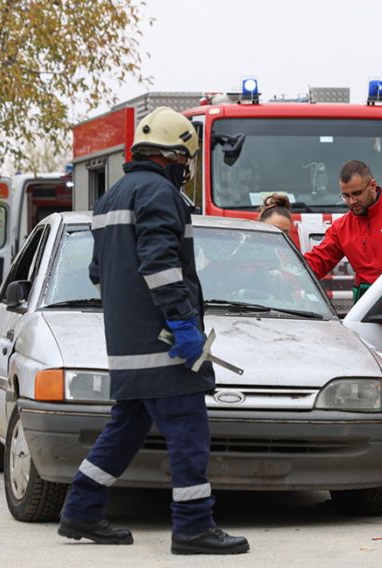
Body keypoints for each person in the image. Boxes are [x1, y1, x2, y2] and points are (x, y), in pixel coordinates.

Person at [58, 107, 249, 555]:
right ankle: (194, 527)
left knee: (125, 428)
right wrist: (181, 322)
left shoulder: (110, 199)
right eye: (185, 161)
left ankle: (81, 511)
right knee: (188, 432)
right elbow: (161, 266)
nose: (185, 169)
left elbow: (98, 273)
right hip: (163, 346)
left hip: (127, 346)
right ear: (173, 156)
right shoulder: (160, 194)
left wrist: (133, 319)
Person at [304, 160, 382, 303]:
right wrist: (285, 272)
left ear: (373, 186)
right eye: (345, 196)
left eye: (356, 194)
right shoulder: (341, 228)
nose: (351, 201)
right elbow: (315, 263)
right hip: (366, 304)